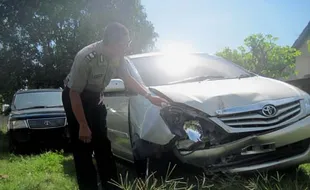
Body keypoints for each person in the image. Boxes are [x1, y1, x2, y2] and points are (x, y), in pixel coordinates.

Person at [62, 22, 168, 190]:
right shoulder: (86, 57)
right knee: (83, 145)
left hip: (96, 97)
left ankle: (111, 186)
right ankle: (88, 186)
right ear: (112, 43)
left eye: (128, 43)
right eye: (124, 44)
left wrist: (149, 96)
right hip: (76, 98)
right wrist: (82, 124)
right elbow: (74, 93)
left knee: (102, 144)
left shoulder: (118, 57)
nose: (127, 47)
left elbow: (128, 78)